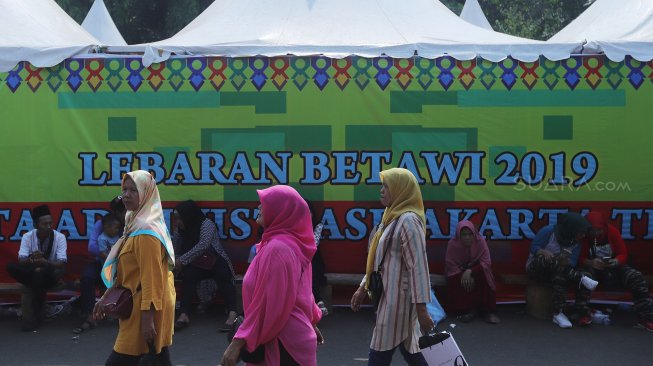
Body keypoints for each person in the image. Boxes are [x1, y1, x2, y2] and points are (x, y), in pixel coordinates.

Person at [221, 185, 323, 366]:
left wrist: (238, 343)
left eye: (264, 204)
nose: (259, 208)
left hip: (283, 342)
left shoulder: (278, 249)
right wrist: (311, 320)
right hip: (290, 338)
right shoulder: (288, 243)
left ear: (280, 211)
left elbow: (267, 304)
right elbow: (302, 290)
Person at [350, 168, 433, 366]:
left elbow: (418, 267)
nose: (381, 190)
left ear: (400, 190)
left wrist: (422, 310)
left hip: (399, 300)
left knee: (379, 351)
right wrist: (363, 287)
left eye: (387, 186)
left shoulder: (409, 221)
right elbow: (378, 260)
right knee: (409, 349)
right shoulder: (391, 217)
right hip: (390, 296)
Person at [92, 170, 176, 366]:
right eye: (124, 189)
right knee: (158, 356)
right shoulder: (133, 221)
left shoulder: (146, 231)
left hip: (145, 307)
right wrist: (105, 297)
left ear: (146, 193)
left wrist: (148, 319)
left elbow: (151, 278)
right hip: (141, 303)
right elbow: (127, 271)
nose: (126, 195)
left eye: (134, 190)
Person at [171, 200, 238, 331]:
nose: (177, 221)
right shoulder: (180, 230)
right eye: (176, 218)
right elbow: (176, 248)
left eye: (180, 218)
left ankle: (232, 314)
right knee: (189, 276)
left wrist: (182, 261)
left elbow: (204, 245)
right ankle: (184, 314)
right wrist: (176, 262)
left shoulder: (206, 224)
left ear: (188, 216)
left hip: (213, 258)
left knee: (223, 274)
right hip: (195, 262)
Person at [580, 211, 653, 331]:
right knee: (584, 277)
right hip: (592, 267)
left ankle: (646, 318)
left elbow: (623, 253)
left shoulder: (612, 232)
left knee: (636, 276)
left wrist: (615, 261)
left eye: (599, 230)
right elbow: (579, 257)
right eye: (592, 230)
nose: (596, 233)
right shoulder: (584, 236)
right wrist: (591, 262)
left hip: (613, 267)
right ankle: (583, 313)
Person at [526, 212, 597, 328]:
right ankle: (580, 278)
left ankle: (559, 313)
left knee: (562, 273)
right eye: (580, 233)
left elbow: (572, 262)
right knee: (549, 259)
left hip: (559, 270)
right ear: (571, 229)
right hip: (538, 268)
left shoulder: (576, 243)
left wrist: (565, 260)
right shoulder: (549, 231)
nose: (583, 236)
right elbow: (534, 247)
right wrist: (543, 251)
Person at [6, 204, 67, 331]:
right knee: (11, 267)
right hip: (32, 271)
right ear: (36, 225)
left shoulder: (59, 237)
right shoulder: (28, 236)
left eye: (51, 223)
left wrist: (45, 262)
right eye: (45, 224)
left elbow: (61, 262)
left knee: (50, 273)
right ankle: (38, 316)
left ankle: (34, 319)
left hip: (49, 271)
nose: (49, 226)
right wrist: (33, 259)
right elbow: (22, 260)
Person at [74, 197, 125, 334]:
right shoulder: (104, 224)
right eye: (118, 211)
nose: (121, 214)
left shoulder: (133, 224)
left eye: (123, 210)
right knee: (87, 276)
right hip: (103, 261)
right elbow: (92, 247)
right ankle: (90, 314)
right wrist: (110, 256)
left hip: (125, 263)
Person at [445, 220, 500, 324]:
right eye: (464, 235)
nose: (467, 237)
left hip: (475, 269)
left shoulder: (480, 241)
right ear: (459, 235)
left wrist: (470, 271)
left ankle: (487, 311)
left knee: (485, 274)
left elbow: (487, 263)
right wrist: (463, 274)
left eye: (470, 234)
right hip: (459, 271)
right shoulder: (453, 244)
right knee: (454, 279)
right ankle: (467, 310)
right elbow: (450, 264)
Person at [306, 200, 328, 316]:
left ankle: (318, 302)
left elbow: (313, 244)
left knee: (312, 271)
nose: (307, 215)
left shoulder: (318, 225)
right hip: (300, 259)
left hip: (314, 258)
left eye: (309, 212)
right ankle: (317, 302)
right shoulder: (294, 225)